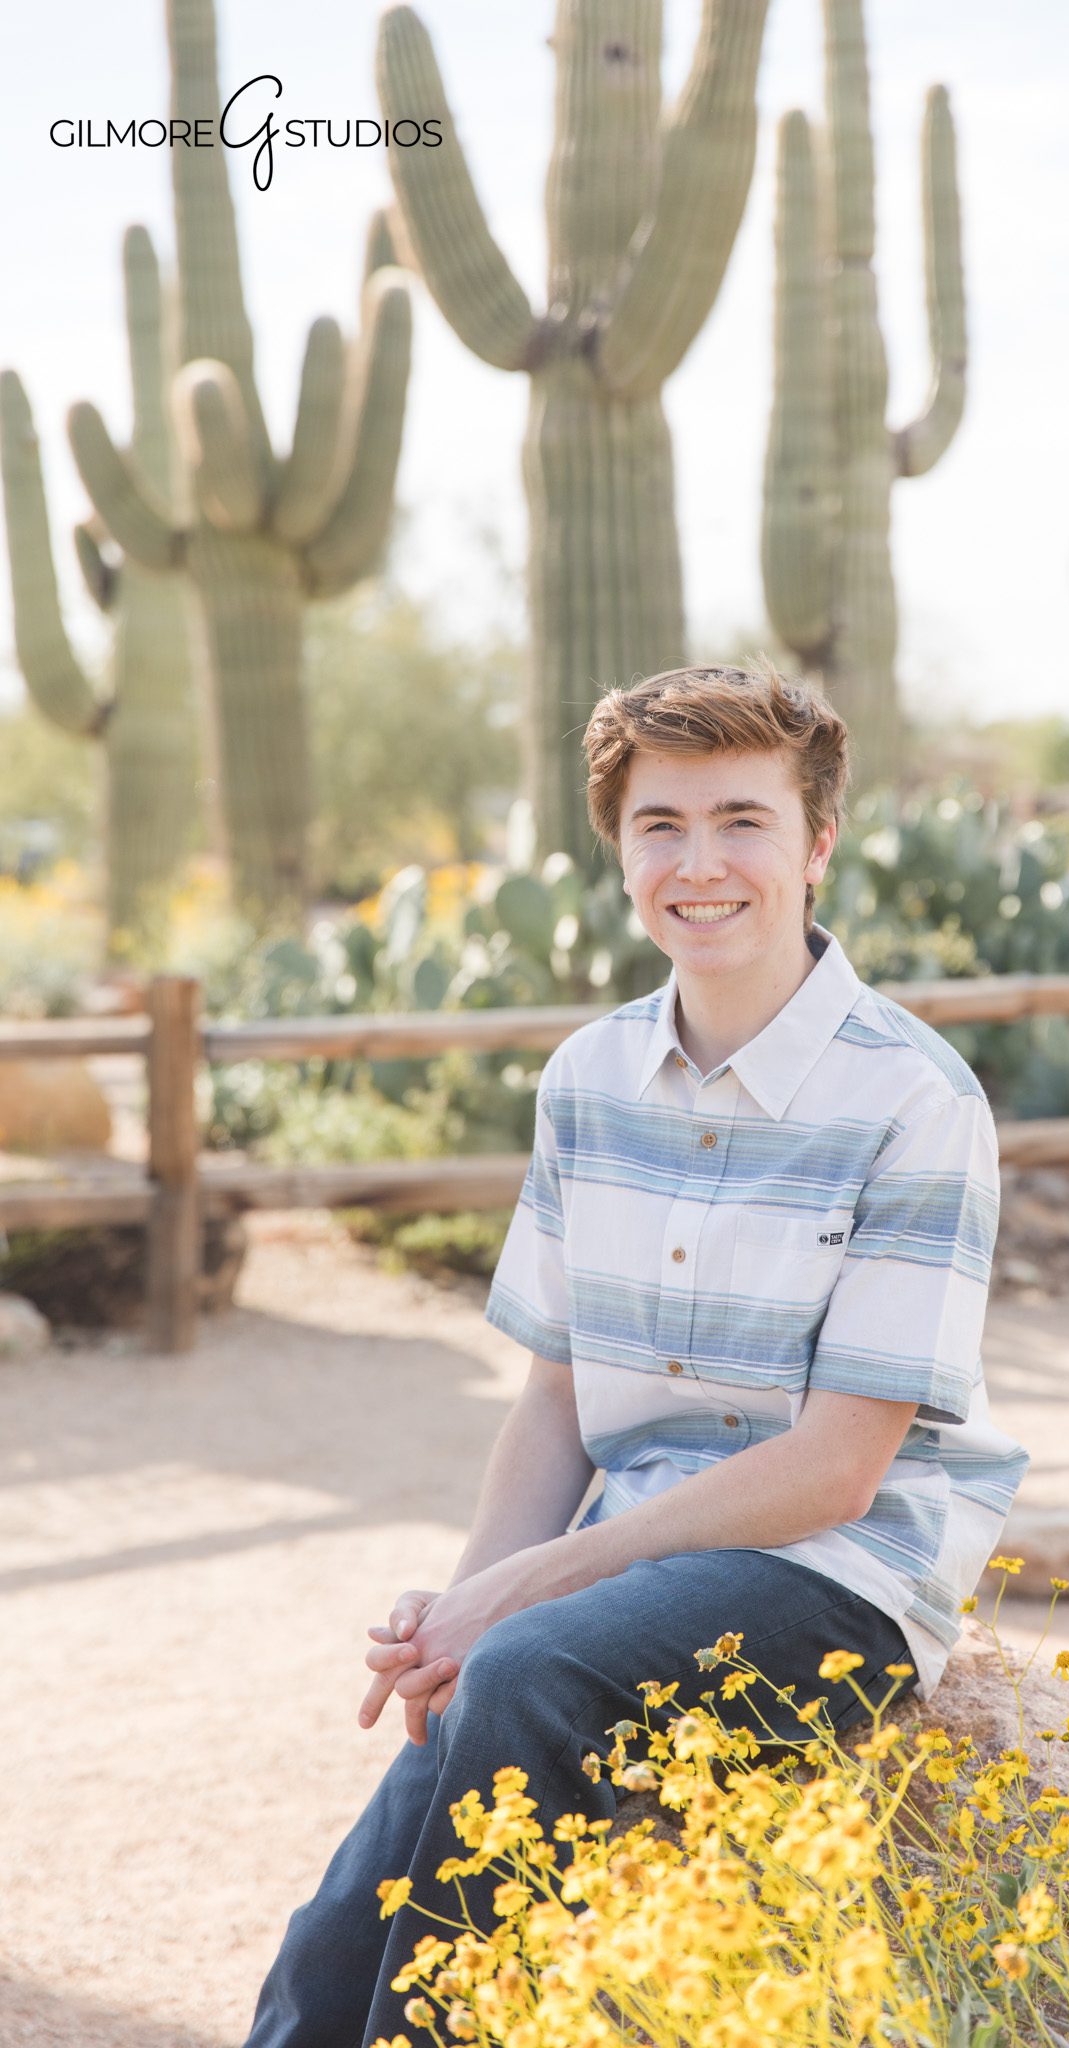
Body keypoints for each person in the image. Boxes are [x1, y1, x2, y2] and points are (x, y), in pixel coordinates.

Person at [243, 659, 1028, 2048]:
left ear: (816, 844)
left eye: (742, 819)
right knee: (335, 1934)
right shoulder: (585, 1081)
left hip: (835, 1576)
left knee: (528, 1671)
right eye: (659, 825)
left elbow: (840, 1471)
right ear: (617, 852)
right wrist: (462, 1602)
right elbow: (556, 1390)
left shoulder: (913, 1101)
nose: (700, 863)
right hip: (613, 1574)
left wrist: (526, 1597)